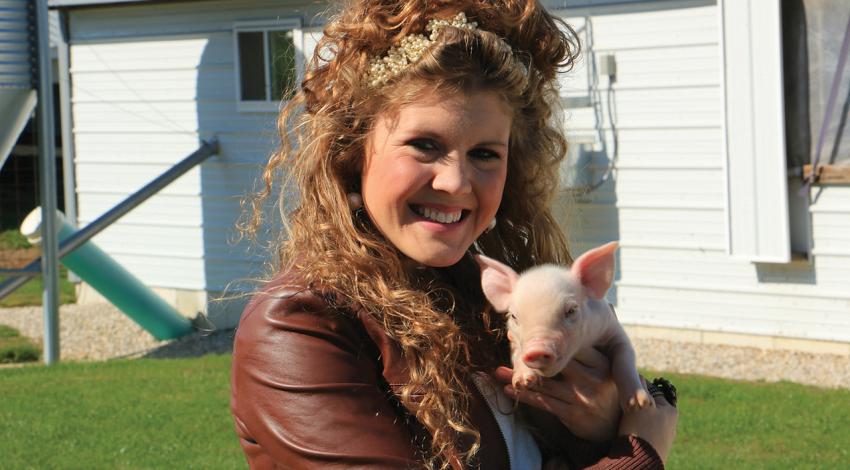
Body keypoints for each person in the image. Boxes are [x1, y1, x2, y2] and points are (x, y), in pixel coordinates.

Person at [230, 0, 678, 468]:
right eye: (424, 145)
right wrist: (636, 452)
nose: (457, 183)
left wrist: (598, 426)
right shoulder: (300, 324)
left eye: (485, 154)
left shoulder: (486, 295)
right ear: (353, 150)